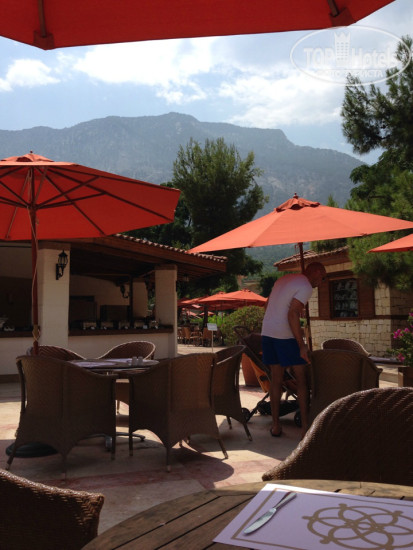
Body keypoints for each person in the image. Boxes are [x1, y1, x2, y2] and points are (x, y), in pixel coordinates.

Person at [261, 262, 327, 438]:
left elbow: (267, 306)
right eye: (323, 277)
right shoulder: (305, 286)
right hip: (285, 336)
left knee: (276, 380)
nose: (322, 282)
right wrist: (301, 345)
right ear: (316, 272)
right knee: (302, 379)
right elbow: (293, 314)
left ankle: (276, 426)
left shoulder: (282, 280)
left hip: (267, 332)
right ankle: (305, 427)